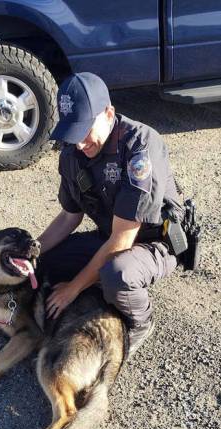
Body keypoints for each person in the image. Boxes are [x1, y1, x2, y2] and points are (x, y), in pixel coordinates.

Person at [37, 72, 184, 358]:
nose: (79, 143)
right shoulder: (72, 153)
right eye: (72, 133)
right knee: (47, 261)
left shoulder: (139, 146)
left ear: (108, 113)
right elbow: (69, 217)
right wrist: (33, 252)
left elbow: (123, 238)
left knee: (117, 275)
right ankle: (98, 293)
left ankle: (140, 322)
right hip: (111, 237)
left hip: (153, 241)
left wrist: (73, 289)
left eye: (84, 130)